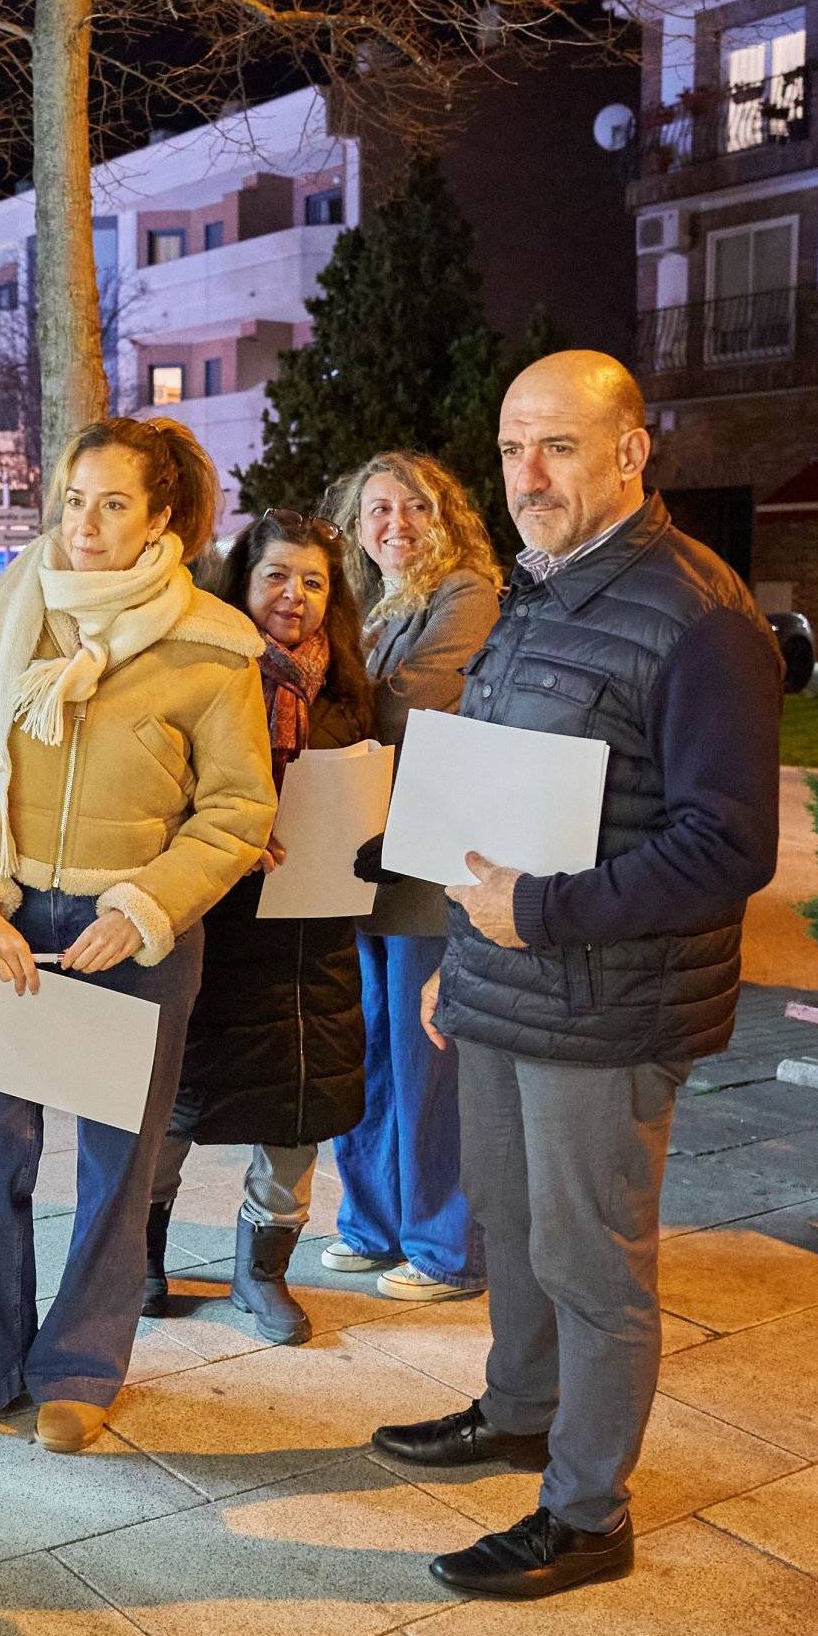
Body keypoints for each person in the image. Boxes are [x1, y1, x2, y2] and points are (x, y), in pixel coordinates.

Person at [372, 351, 782, 1599]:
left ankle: (587, 1509)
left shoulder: (700, 616)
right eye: (510, 449)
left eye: (557, 445)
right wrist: (464, 960)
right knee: (512, 1222)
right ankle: (518, 1409)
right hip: (507, 984)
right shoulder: (541, 593)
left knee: (595, 1262)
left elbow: (729, 847)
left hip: (606, 1004)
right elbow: (504, 791)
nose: (529, 475)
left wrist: (533, 915)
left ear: (629, 451)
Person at [0, 416, 276, 1453]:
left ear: (162, 516)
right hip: (9, 924)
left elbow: (237, 812)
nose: (85, 525)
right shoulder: (4, 621)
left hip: (133, 938)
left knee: (119, 1167)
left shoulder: (212, 645)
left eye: (114, 504)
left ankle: (78, 1367)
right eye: (74, 500)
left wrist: (145, 906)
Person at [146, 510, 376, 1344]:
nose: (295, 596)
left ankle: (262, 1272)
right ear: (242, 582)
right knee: (171, 1099)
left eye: (313, 581)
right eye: (277, 575)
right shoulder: (204, 673)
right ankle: (141, 1258)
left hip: (309, 939)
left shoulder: (349, 693)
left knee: (295, 1108)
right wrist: (223, 838)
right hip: (212, 923)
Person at [314, 451, 502, 1303]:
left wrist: (336, 694)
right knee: (369, 1054)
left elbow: (408, 705)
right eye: (377, 511)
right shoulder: (375, 611)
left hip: (431, 859)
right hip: (367, 857)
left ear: (446, 516)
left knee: (428, 1062)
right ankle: (371, 1223)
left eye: (414, 508)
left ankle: (446, 1246)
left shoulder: (466, 594)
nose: (395, 525)